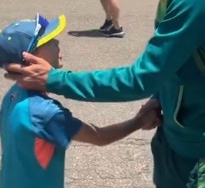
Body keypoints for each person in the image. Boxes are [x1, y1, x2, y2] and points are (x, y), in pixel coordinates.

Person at [5, 0, 205, 188]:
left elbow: (142, 76)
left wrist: (56, 80)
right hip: (176, 133)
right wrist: (160, 99)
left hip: (195, 148)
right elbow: (180, 57)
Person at [0, 13, 160, 188]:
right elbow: (99, 137)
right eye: (49, 41)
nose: (58, 43)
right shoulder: (44, 112)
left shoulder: (13, 96)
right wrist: (139, 121)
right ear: (30, 60)